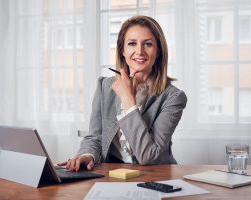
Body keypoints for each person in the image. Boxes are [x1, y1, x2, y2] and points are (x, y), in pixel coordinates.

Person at [58, 15, 187, 171]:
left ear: (158, 51)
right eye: (132, 44)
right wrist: (87, 155)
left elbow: (149, 155)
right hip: (112, 173)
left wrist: (127, 98)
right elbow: (95, 137)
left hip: (156, 174)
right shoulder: (104, 86)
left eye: (148, 44)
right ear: (122, 51)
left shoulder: (173, 97)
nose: (139, 51)